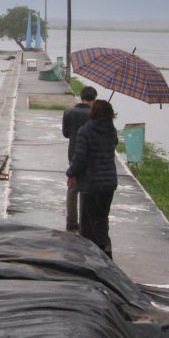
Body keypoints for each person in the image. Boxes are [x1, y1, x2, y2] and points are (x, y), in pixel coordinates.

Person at [66, 99, 118, 258]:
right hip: (109, 183)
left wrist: (71, 173)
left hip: (91, 184)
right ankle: (105, 252)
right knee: (102, 219)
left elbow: (80, 158)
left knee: (87, 225)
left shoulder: (85, 131)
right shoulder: (112, 131)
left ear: (93, 112)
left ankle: (89, 259)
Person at [61, 86, 97, 231]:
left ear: (81, 97)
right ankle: (85, 223)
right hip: (90, 155)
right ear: (94, 99)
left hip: (73, 154)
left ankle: (71, 222)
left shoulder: (68, 112)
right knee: (87, 189)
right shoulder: (94, 114)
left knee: (73, 188)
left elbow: (65, 133)